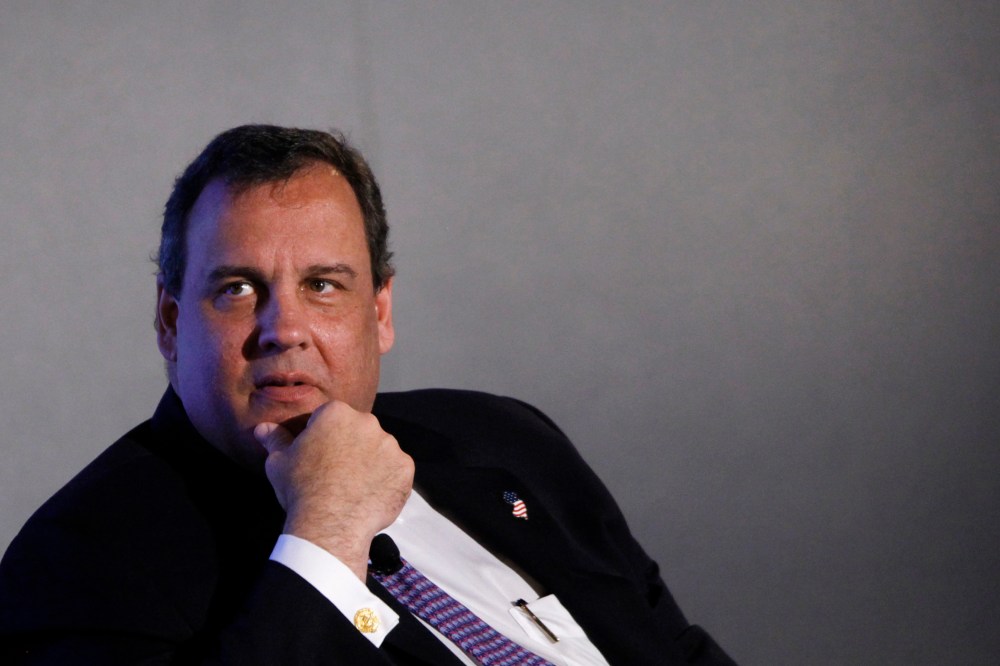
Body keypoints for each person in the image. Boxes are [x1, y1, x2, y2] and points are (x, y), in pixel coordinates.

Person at [0, 125, 735, 665]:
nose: (283, 330)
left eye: (323, 286)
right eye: (237, 290)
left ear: (379, 311)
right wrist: (326, 531)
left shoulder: (508, 439)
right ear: (169, 322)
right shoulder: (79, 564)